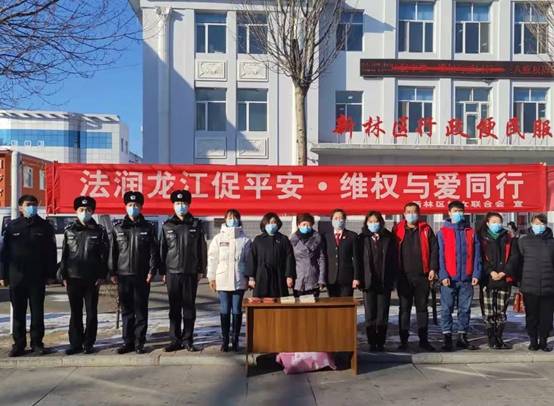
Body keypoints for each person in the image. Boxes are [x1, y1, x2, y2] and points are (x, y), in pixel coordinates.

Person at [0, 195, 57, 357]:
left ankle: (37, 343)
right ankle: (18, 344)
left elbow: (51, 253)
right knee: (18, 312)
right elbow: (4, 253)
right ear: (20, 207)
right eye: (28, 204)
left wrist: (51, 274)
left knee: (37, 313)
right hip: (16, 276)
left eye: (34, 204)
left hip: (37, 277)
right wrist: (2, 275)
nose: (32, 207)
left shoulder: (45, 226)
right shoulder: (12, 227)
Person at [109, 191, 159, 354]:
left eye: (136, 205)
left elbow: (153, 252)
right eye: (130, 205)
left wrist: (152, 270)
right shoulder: (118, 228)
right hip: (123, 276)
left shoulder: (148, 228)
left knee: (141, 311)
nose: (133, 208)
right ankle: (128, 342)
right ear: (125, 207)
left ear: (141, 207)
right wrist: (112, 272)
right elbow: (113, 252)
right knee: (127, 311)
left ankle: (139, 342)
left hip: (142, 276)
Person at [59, 196, 109, 355]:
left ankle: (89, 343)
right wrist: (63, 275)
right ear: (76, 211)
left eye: (88, 210)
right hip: (73, 277)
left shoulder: (99, 231)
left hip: (92, 279)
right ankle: (75, 343)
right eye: (81, 209)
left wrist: (102, 275)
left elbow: (104, 255)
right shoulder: (69, 230)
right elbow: (65, 255)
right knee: (75, 313)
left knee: (91, 313)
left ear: (92, 212)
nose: (84, 212)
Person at [160, 190, 207, 352]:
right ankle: (174, 340)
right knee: (174, 309)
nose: (181, 206)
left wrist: (201, 269)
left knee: (189, 308)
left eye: (184, 203)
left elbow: (201, 248)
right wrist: (163, 272)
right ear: (173, 205)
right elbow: (162, 250)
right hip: (172, 272)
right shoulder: (167, 226)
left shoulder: (196, 225)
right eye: (178, 203)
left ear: (188, 205)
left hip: (190, 272)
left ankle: (188, 339)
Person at [393, 202, 438, 352]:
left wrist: (433, 268)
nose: (411, 214)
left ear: (419, 213)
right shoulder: (397, 229)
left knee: (422, 309)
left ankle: (423, 340)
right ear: (404, 213)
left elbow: (434, 250)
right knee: (404, 309)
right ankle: (403, 341)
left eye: (414, 211)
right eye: (408, 211)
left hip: (422, 276)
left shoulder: (426, 229)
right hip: (403, 276)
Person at [437, 200, 482, 351]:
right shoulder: (442, 233)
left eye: (460, 211)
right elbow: (440, 256)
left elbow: (477, 255)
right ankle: (447, 337)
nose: (458, 213)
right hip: (449, 279)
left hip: (466, 279)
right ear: (449, 213)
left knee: (465, 309)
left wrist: (476, 273)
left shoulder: (471, 232)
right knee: (446, 309)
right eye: (455, 211)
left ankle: (462, 336)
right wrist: (443, 275)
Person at [207, 209, 251, 352]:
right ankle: (225, 340)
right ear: (225, 219)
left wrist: (250, 278)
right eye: (230, 217)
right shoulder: (218, 238)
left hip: (239, 278)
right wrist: (211, 277)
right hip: (222, 279)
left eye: (235, 217)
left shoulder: (245, 240)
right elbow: (212, 259)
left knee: (237, 310)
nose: (232, 220)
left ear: (239, 219)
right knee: (224, 309)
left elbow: (249, 261)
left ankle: (235, 340)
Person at [355, 211, 398, 352]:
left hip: (384, 281)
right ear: (366, 223)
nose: (373, 224)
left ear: (381, 222)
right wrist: (358, 278)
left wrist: (393, 279)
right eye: (370, 222)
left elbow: (394, 260)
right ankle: (372, 342)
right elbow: (358, 261)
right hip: (368, 281)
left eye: (376, 221)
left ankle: (381, 342)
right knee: (370, 314)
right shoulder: (362, 238)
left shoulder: (389, 237)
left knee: (382, 314)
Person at [477, 212, 518, 350]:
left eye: (499, 222)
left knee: (501, 310)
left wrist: (504, 272)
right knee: (488, 311)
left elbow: (514, 257)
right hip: (487, 280)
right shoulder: (481, 238)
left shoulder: (508, 238)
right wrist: (490, 271)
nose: (497, 224)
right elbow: (479, 258)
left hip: (504, 279)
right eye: (493, 222)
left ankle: (499, 337)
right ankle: (491, 338)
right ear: (487, 223)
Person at [514, 214, 554, 351]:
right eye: (537, 223)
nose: (539, 226)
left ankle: (543, 341)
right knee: (531, 316)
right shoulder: (523, 241)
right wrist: (519, 282)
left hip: (549, 287)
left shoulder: (552, 242)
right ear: (531, 224)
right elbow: (519, 263)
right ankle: (533, 341)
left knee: (546, 317)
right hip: (529, 286)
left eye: (542, 224)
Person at [245, 212, 296, 298]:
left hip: (279, 276)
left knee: (280, 301)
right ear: (264, 224)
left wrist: (289, 276)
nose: (271, 225)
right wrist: (251, 278)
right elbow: (252, 259)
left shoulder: (283, 239)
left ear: (278, 224)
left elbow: (289, 258)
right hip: (262, 276)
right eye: (268, 223)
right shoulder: (258, 240)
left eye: (274, 222)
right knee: (261, 302)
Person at [323, 209, 359, 297]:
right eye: (336, 218)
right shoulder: (326, 237)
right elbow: (323, 258)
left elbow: (356, 259)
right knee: (333, 303)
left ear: (345, 220)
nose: (338, 220)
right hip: (331, 278)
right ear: (331, 220)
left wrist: (356, 277)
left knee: (346, 303)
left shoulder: (352, 236)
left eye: (341, 218)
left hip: (347, 278)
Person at [290, 213, 326, 297]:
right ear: (298, 225)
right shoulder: (293, 240)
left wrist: (321, 279)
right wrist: (289, 277)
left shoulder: (317, 238)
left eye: (309, 225)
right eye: (304, 224)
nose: (306, 227)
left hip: (313, 278)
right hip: (298, 279)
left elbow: (321, 259)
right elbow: (289, 260)